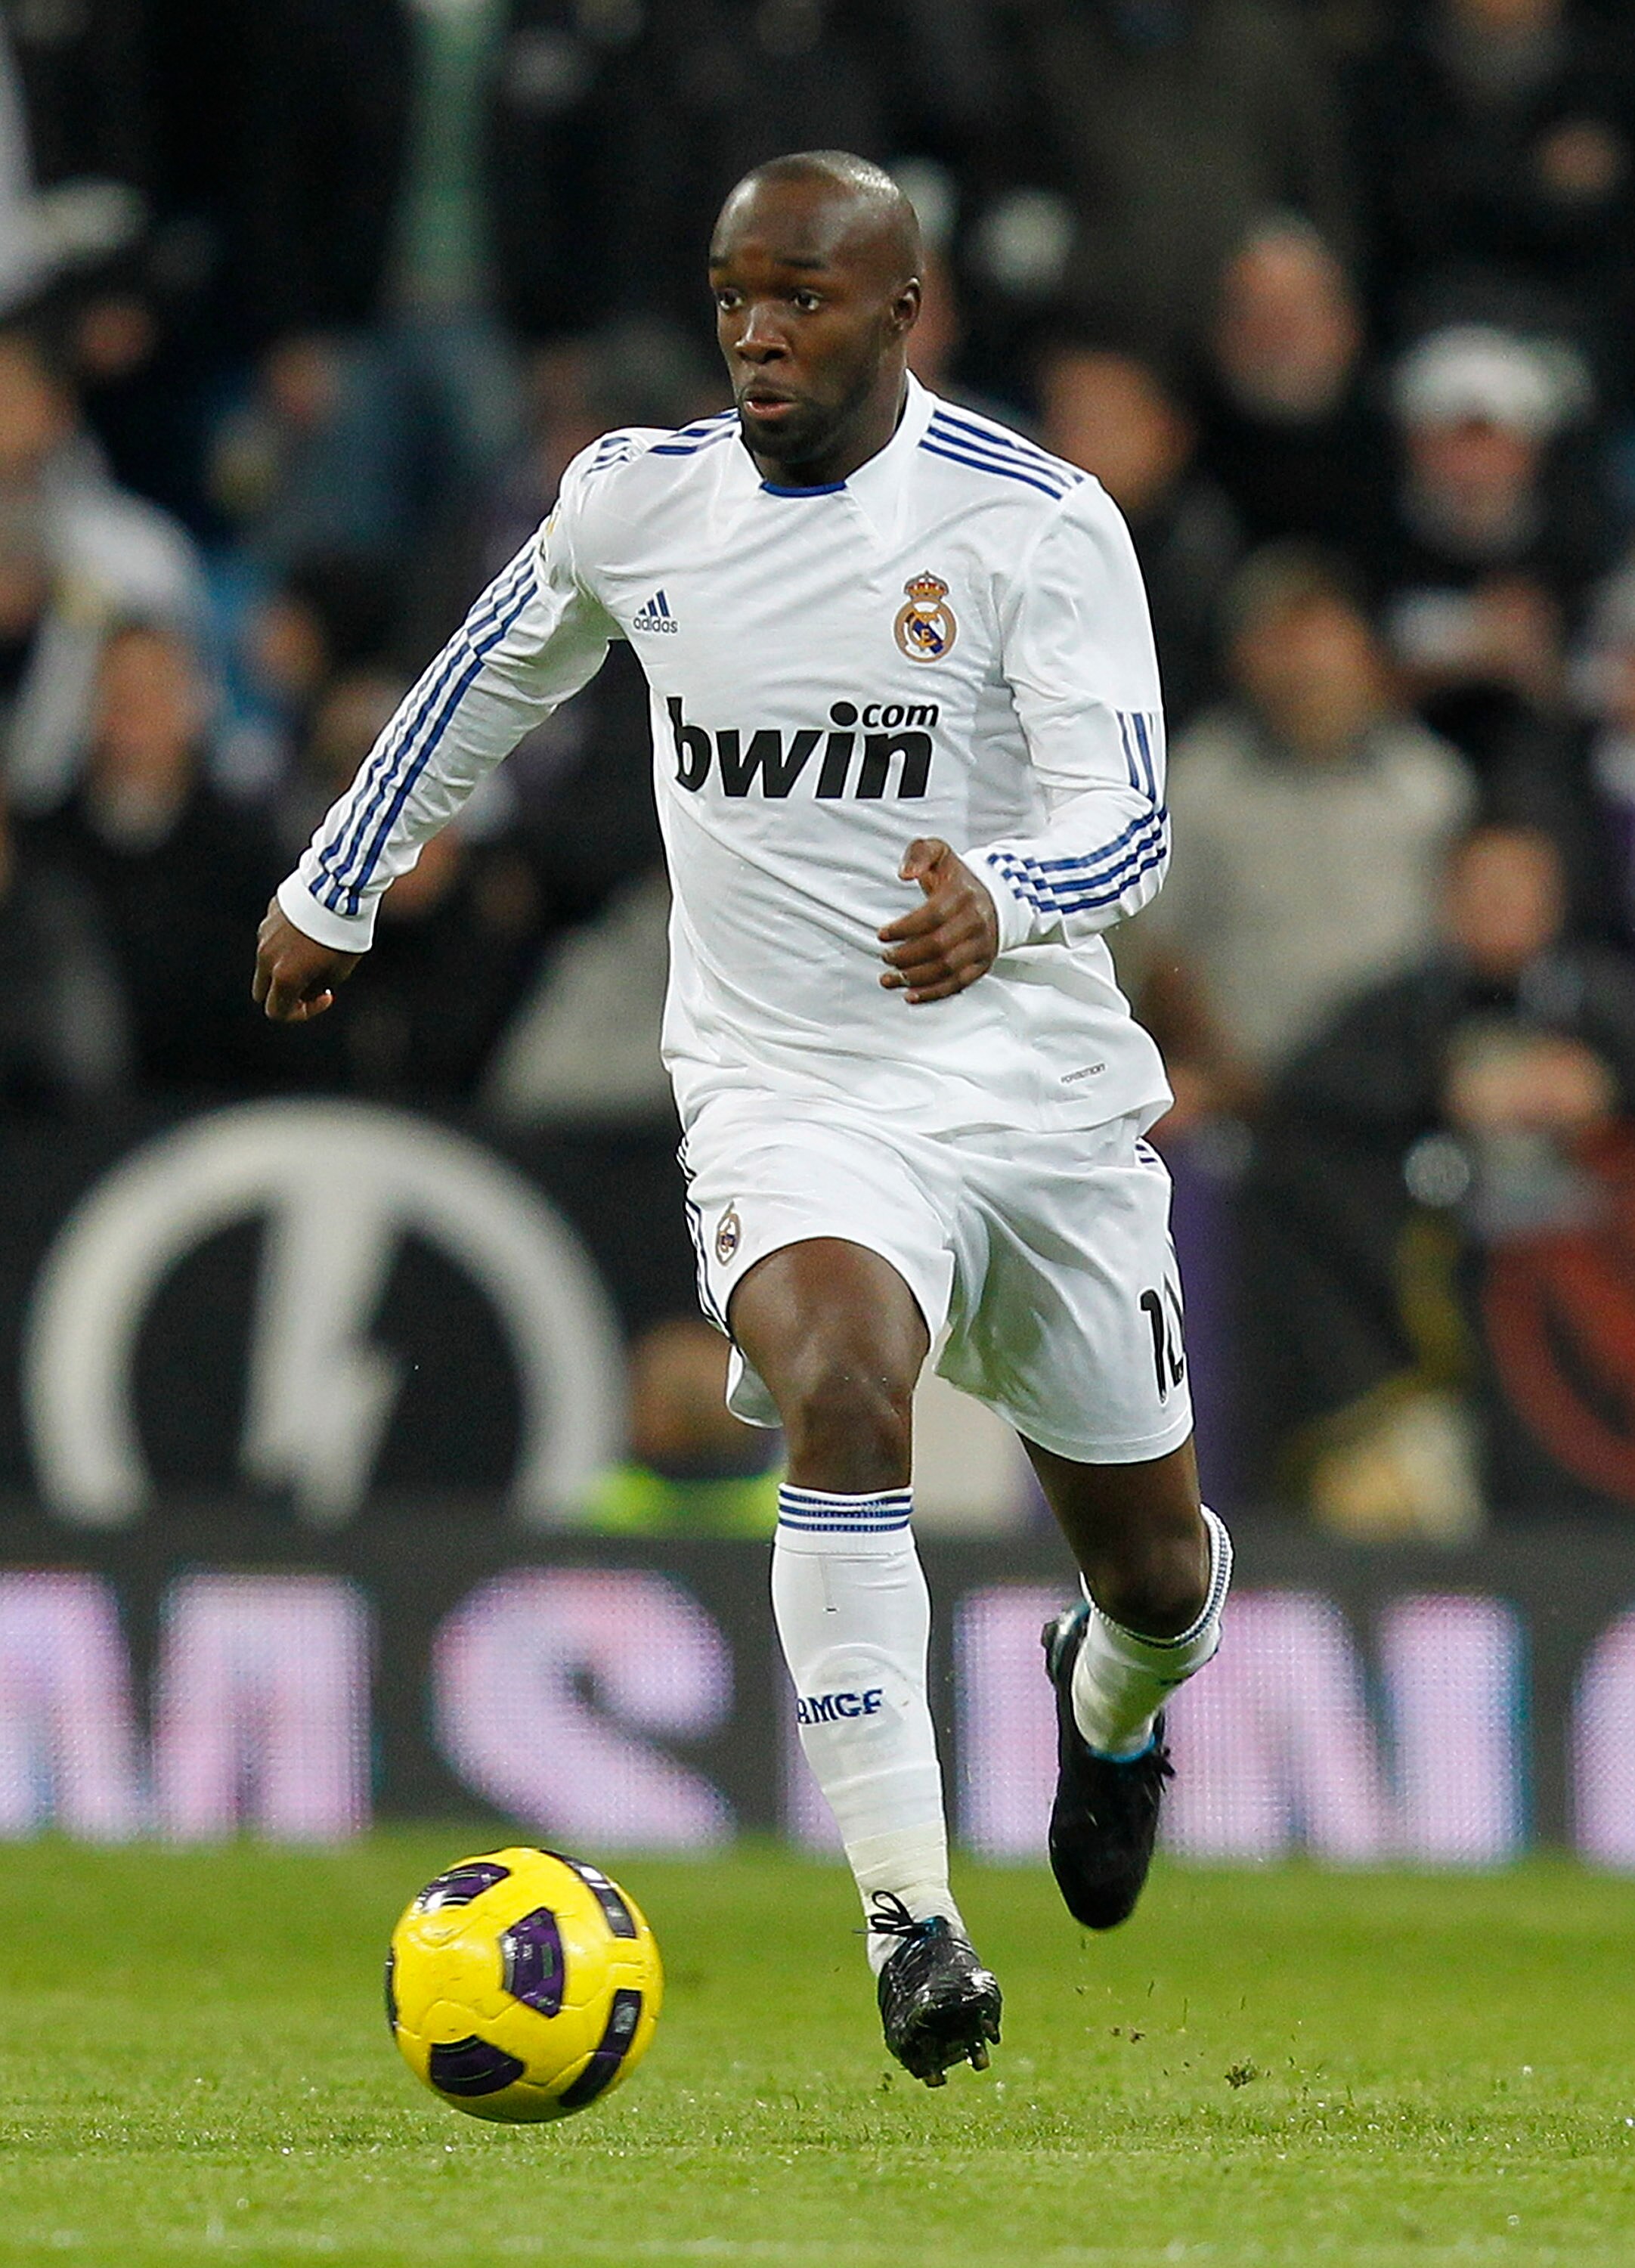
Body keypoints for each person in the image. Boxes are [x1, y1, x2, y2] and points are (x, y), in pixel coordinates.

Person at [253, 151, 1230, 2088]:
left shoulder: (1036, 527)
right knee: (844, 1387)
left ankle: (1110, 1708)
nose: (759, 334)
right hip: (790, 1091)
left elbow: (1132, 820)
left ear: (901, 308)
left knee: (1157, 1572)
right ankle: (910, 1921)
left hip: (1031, 1092)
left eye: (801, 297)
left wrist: (1007, 898)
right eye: (732, 297)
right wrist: (335, 882)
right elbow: (481, 681)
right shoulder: (641, 501)